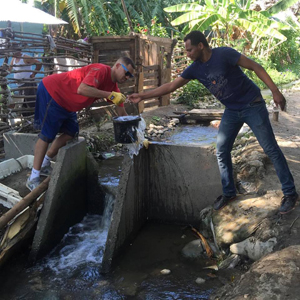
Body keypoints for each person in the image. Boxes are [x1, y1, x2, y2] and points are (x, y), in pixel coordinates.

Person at [128, 31, 298, 215]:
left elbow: (256, 67)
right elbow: (170, 86)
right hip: (232, 110)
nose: (188, 54)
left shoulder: (224, 54)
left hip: (252, 104)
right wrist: (142, 96)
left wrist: (275, 91)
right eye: (186, 51)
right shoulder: (194, 68)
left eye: (190, 50)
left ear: (201, 45)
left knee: (270, 148)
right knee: (221, 149)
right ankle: (229, 193)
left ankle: (290, 193)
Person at [26, 56, 135, 191]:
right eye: (127, 73)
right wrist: (109, 95)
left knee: (71, 132)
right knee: (47, 135)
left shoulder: (114, 89)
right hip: (53, 92)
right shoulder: (101, 70)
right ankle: (33, 178)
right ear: (118, 66)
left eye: (130, 76)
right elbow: (82, 89)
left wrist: (137, 135)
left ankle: (45, 162)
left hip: (67, 105)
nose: (127, 77)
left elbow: (123, 115)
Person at [9, 50, 42, 116]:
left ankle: (34, 118)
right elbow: (9, 69)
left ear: (18, 51)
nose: (12, 53)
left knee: (31, 102)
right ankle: (27, 120)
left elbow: (39, 63)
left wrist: (34, 74)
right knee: (23, 103)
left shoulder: (25, 57)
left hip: (28, 83)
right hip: (20, 85)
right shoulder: (14, 58)